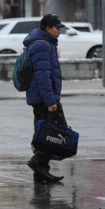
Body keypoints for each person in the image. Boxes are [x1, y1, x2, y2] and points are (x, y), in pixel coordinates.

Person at [24, 14, 67, 183]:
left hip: (42, 98)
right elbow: (43, 78)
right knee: (55, 133)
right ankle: (37, 163)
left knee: (43, 133)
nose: (59, 32)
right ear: (47, 29)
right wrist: (51, 101)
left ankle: (40, 171)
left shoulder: (44, 44)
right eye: (57, 28)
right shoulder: (42, 46)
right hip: (44, 99)